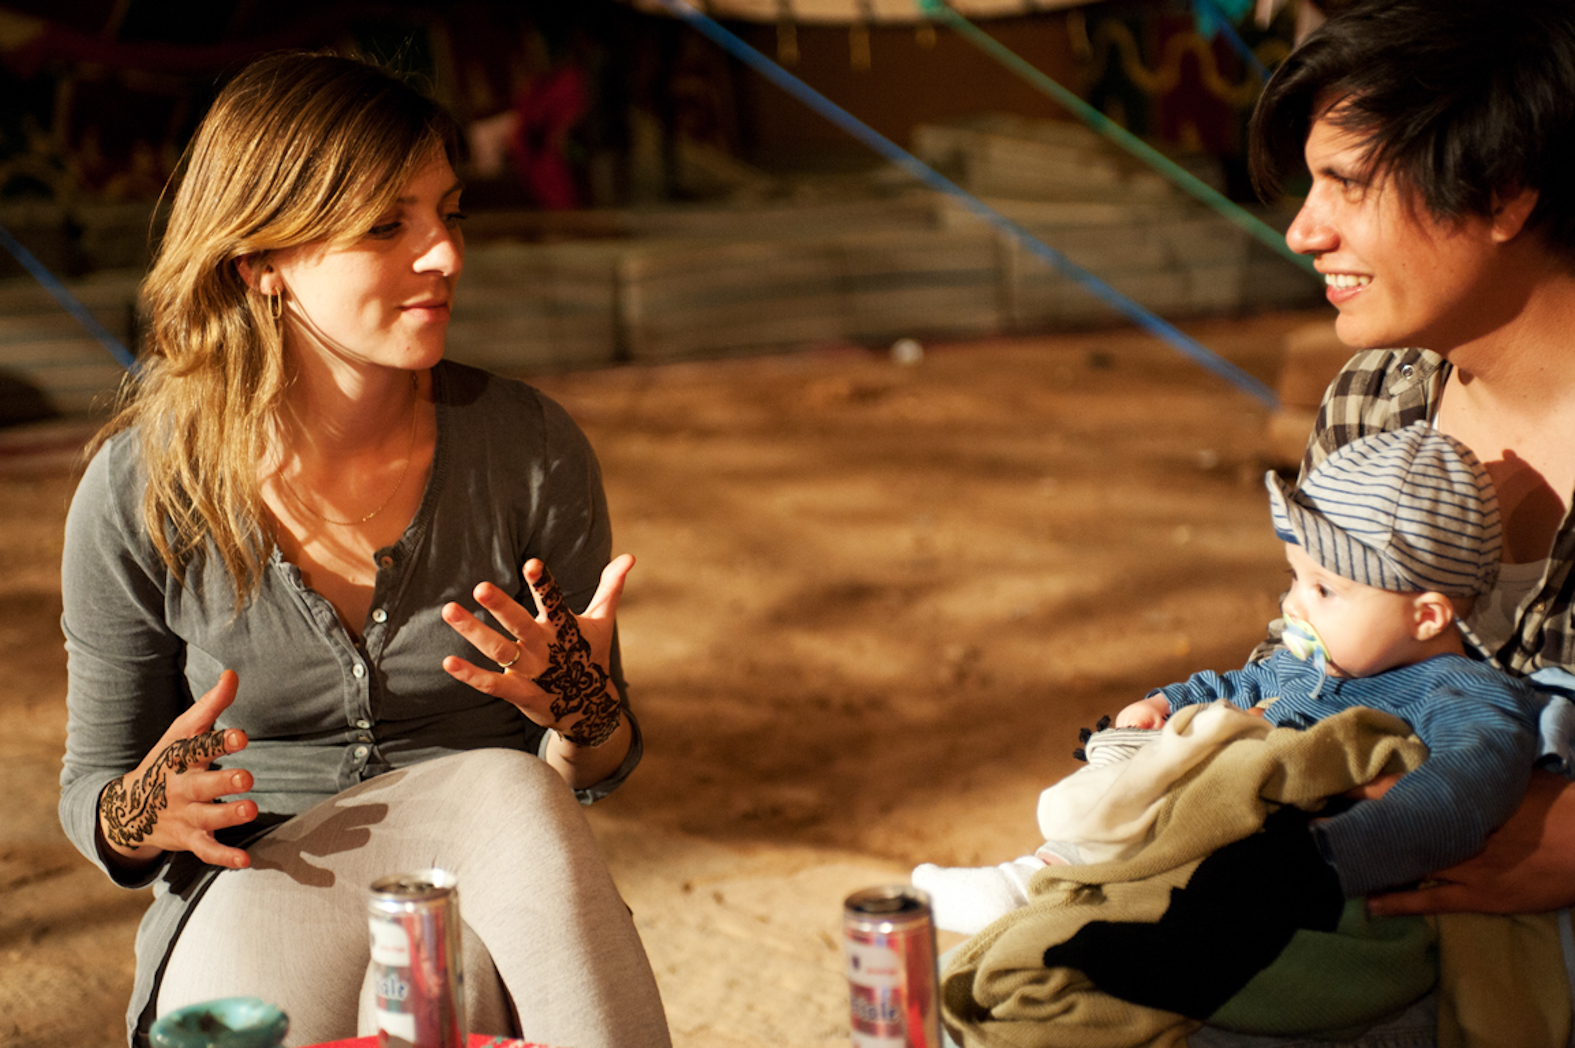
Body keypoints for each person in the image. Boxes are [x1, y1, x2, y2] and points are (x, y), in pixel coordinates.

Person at [57, 52, 670, 1048]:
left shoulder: (529, 450)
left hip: (494, 855)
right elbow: (95, 787)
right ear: (259, 259)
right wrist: (141, 811)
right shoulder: (142, 489)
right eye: (387, 225)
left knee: (515, 788)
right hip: (258, 869)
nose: (445, 255)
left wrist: (582, 708)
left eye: (450, 213)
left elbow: (597, 759)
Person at [915, 423, 1544, 938]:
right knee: (1145, 789)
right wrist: (1170, 702)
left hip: (1292, 866)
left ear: (1427, 615)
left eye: (1325, 590)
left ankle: (1043, 894)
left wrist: (1336, 854)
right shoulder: (1314, 661)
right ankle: (1038, 880)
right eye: (1295, 577)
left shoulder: (1461, 694)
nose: (1293, 604)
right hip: (1221, 834)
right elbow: (1241, 685)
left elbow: (1460, 793)